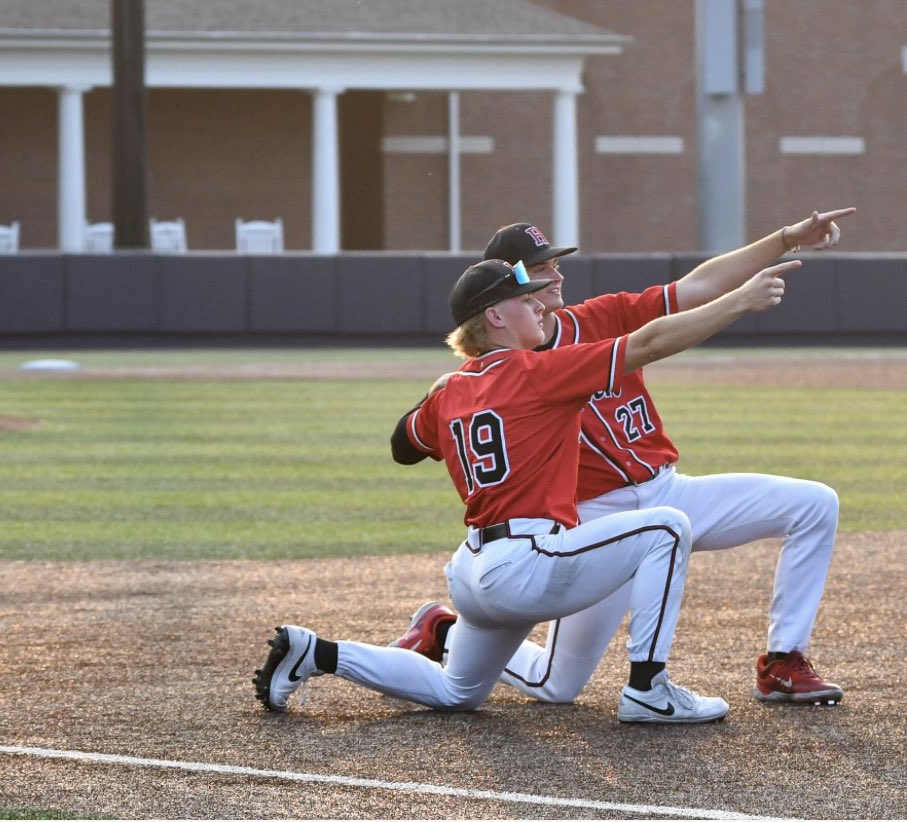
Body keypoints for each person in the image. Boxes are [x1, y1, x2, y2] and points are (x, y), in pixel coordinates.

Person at [253, 252, 800, 723]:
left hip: (472, 572)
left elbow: (402, 445)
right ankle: (648, 688)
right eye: (526, 300)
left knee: (456, 691)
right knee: (669, 525)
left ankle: (317, 652)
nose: (541, 304)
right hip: (530, 562)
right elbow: (649, 343)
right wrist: (738, 302)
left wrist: (437, 394)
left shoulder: (452, 393)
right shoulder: (536, 372)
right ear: (494, 315)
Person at [390, 208, 855, 707]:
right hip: (596, 521)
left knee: (814, 505)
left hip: (668, 490)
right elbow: (421, 439)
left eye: (554, 262)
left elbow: (695, 287)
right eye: (541, 266)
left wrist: (786, 237)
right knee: (557, 686)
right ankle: (449, 635)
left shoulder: (596, 319)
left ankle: (783, 660)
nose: (557, 273)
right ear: (509, 284)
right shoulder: (498, 374)